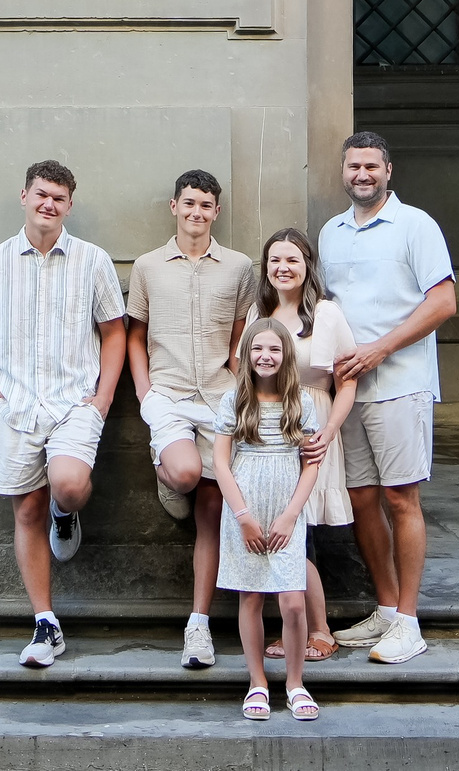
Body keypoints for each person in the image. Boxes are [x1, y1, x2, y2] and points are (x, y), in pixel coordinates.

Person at [0, 158, 128, 668]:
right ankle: (45, 624)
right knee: (26, 511)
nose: (48, 204)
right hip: (16, 407)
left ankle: (66, 511)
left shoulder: (93, 261)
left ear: (69, 205)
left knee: (68, 485)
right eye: (40, 194)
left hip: (75, 402)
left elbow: (114, 331)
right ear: (24, 197)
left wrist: (103, 397)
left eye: (58, 197)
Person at [317, 131, 456, 666]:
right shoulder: (330, 233)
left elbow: (443, 301)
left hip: (400, 384)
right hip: (347, 392)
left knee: (401, 499)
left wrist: (379, 350)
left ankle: (410, 622)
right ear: (344, 171)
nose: (362, 175)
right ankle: (385, 606)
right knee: (361, 501)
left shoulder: (415, 226)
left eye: (372, 166)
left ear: (389, 171)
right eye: (354, 166)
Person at [124, 168, 258, 671]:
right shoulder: (148, 266)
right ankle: (169, 473)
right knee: (183, 474)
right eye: (188, 203)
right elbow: (134, 334)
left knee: (212, 513)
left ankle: (197, 626)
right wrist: (144, 391)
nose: (196, 212)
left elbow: (241, 335)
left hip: (220, 398)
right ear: (173, 207)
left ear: (216, 211)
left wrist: (240, 385)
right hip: (168, 394)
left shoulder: (240, 267)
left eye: (205, 204)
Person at [207, 316, 325, 722]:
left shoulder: (301, 403)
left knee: (293, 602)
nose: (265, 356)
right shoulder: (234, 401)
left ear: (285, 356)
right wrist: (242, 516)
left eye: (274, 349)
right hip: (246, 510)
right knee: (251, 595)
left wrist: (292, 515)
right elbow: (221, 462)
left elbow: (311, 465)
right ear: (246, 354)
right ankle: (257, 680)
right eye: (258, 348)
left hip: (286, 512)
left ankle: (295, 683)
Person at [253, 226, 357, 664]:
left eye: (292, 259)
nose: (283, 267)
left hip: (314, 429)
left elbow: (346, 381)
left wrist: (328, 433)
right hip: (267, 433)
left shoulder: (328, 315)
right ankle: (292, 628)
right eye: (275, 259)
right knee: (281, 528)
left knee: (302, 531)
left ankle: (320, 629)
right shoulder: (258, 312)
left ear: (307, 265)